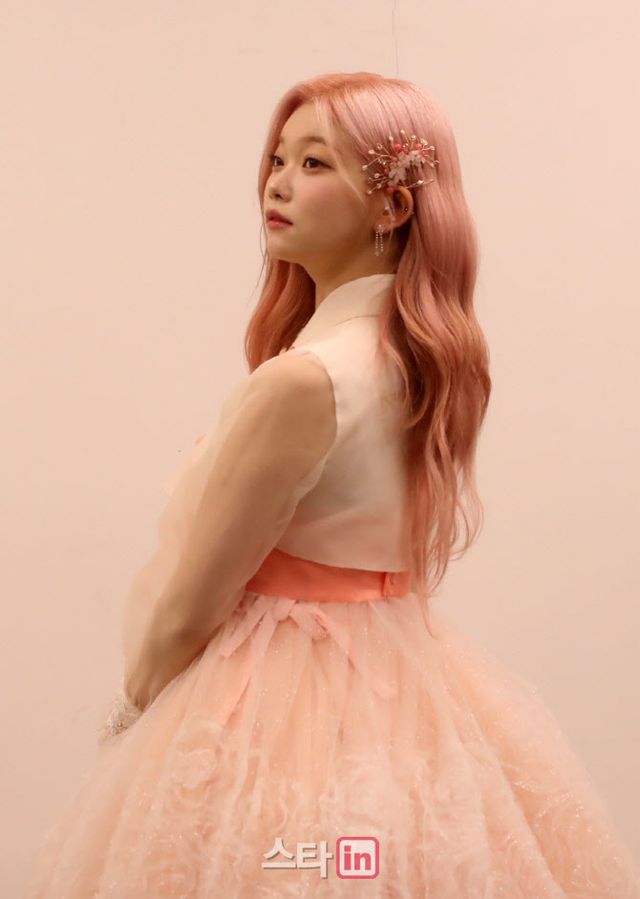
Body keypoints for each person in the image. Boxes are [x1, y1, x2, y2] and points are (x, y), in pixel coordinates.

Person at [26, 71, 640, 898]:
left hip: (271, 702)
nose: (277, 183)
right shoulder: (425, 363)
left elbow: (189, 607)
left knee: (284, 864)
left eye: (315, 163)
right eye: (278, 158)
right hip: (405, 688)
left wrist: (137, 707)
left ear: (393, 206)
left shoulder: (308, 379)